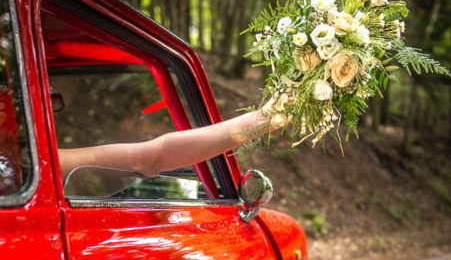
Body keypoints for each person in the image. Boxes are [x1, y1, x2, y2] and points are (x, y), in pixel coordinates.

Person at [58, 97, 290, 180]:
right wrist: (263, 120)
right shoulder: (40, 163)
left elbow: (152, 156)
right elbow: (151, 157)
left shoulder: (37, 162)